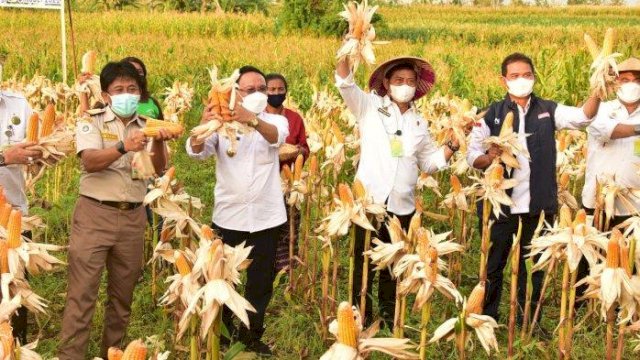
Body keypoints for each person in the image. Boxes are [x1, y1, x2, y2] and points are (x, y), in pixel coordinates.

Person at [466, 52, 601, 326]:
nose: (521, 80)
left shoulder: (548, 110)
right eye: (514, 76)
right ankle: (488, 318)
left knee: (534, 269)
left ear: (534, 77)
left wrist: (598, 85)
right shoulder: (489, 114)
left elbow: (584, 117)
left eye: (526, 75)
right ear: (503, 80)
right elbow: (473, 158)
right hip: (499, 206)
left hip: (539, 206)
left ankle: (530, 322)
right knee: (493, 267)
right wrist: (491, 156)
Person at [58, 61, 178, 360]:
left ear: (141, 94)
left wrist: (159, 144)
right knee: (82, 296)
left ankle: (111, 354)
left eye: (133, 89)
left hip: (133, 218)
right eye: (119, 89)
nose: (127, 94)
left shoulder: (145, 126)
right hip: (95, 215)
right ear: (106, 95)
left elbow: (155, 170)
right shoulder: (92, 121)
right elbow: (90, 161)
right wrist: (124, 146)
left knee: (122, 298)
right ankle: (70, 356)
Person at [336, 55, 459, 326]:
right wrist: (348, 48)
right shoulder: (369, 106)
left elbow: (429, 162)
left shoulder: (419, 123)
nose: (406, 86)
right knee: (364, 260)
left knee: (395, 263)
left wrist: (453, 144)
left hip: (402, 205)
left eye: (411, 81)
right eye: (399, 80)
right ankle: (360, 312)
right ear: (387, 84)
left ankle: (390, 312)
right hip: (369, 202)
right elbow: (345, 83)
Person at [186, 65, 289, 355]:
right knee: (227, 279)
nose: (258, 93)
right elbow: (196, 152)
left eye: (262, 89)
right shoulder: (221, 124)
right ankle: (228, 335)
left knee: (260, 283)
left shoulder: (274, 120)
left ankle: (253, 337)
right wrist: (203, 125)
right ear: (235, 93)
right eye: (250, 89)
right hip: (229, 217)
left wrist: (253, 120)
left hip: (267, 218)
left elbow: (276, 138)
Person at [0, 90, 43, 344]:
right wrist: (5, 157)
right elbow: (10, 156)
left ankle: (16, 346)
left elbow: (34, 150)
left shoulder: (19, 104)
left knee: (16, 292)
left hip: (14, 215)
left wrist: (40, 153)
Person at [582, 57, 640, 226]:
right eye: (625, 80)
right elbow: (610, 131)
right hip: (597, 203)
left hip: (634, 206)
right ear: (615, 82)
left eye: (637, 80)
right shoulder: (598, 110)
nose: (632, 85)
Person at [264, 72, 310, 273]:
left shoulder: (294, 118)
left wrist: (298, 151)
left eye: (280, 89)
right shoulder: (257, 118)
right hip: (264, 181)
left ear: (285, 92)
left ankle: (286, 267)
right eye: (271, 89)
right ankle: (265, 263)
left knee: (289, 224)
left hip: (290, 181)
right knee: (266, 226)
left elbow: (304, 148)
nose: (276, 93)